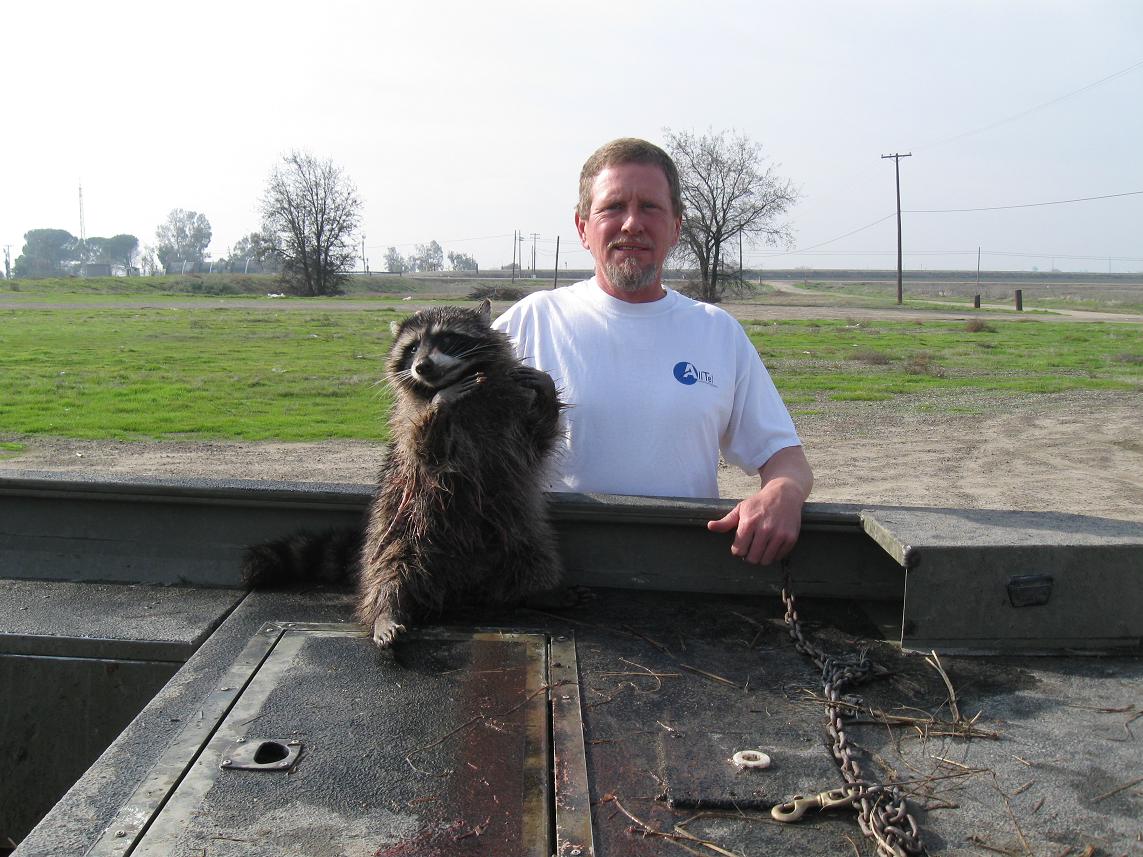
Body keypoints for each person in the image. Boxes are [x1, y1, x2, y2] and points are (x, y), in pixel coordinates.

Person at [492, 137, 813, 566]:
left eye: (650, 207)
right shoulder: (530, 323)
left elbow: (785, 458)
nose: (632, 224)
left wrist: (783, 491)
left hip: (683, 575)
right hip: (555, 575)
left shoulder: (717, 332)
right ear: (582, 227)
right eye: (613, 207)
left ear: (676, 227)